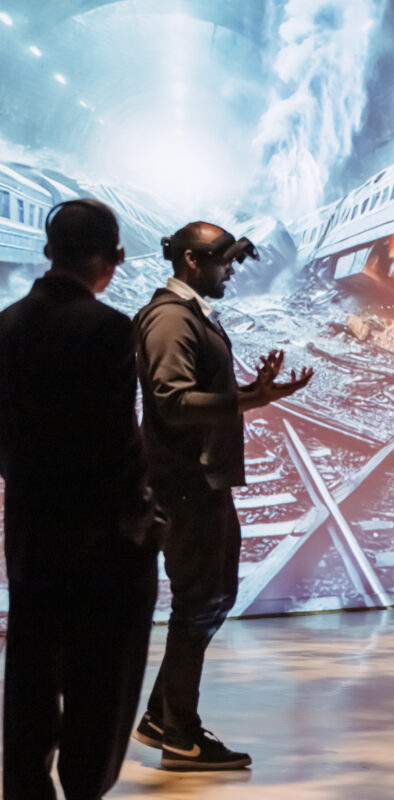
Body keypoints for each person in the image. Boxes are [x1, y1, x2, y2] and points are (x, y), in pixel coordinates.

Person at [131, 221, 313, 770]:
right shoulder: (168, 318)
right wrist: (247, 400)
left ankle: (164, 715)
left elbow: (186, 395)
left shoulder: (187, 315)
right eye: (222, 261)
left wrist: (251, 394)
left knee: (212, 599)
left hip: (200, 481)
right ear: (191, 261)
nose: (230, 270)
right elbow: (171, 400)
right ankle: (181, 735)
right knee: (199, 603)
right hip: (185, 484)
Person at [0, 199, 160, 798]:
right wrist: (143, 523)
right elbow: (115, 445)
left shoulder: (6, 325)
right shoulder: (111, 330)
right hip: (102, 550)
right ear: (113, 258)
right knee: (100, 693)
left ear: (48, 252)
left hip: (33, 542)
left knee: (31, 685)